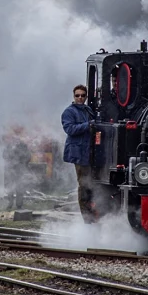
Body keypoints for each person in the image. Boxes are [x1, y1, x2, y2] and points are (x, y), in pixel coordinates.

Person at [61, 85, 97, 222]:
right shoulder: (69, 112)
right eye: (77, 95)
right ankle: (87, 218)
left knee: (92, 185)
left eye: (82, 95)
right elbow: (69, 129)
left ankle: (93, 214)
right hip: (78, 152)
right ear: (74, 96)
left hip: (90, 152)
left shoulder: (88, 110)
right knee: (84, 185)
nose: (80, 98)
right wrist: (87, 125)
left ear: (86, 96)